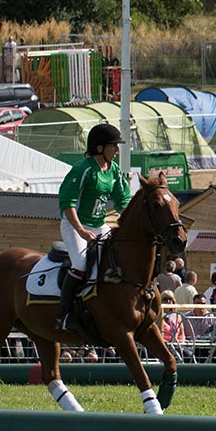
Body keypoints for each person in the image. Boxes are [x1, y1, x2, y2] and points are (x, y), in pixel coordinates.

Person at [56, 123, 133, 330]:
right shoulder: (83, 169)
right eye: (113, 146)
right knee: (81, 264)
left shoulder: (113, 170)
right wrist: (81, 230)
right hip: (75, 225)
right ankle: (64, 315)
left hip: (100, 225)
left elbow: (123, 200)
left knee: (117, 258)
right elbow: (67, 203)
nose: (117, 150)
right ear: (99, 148)